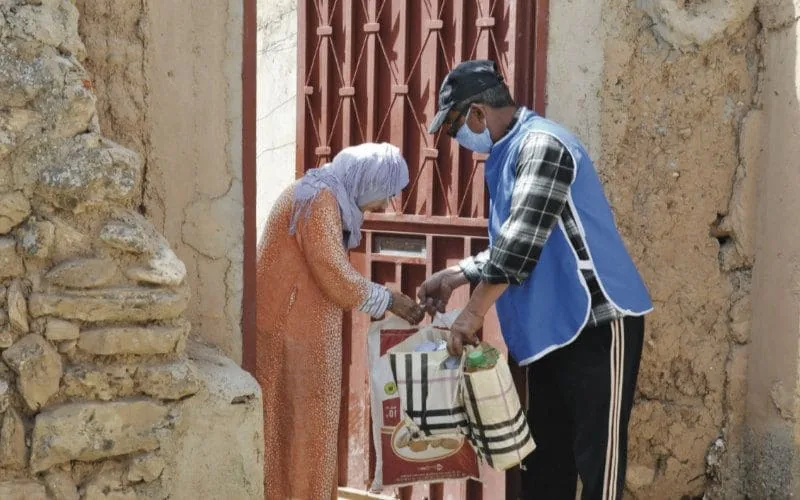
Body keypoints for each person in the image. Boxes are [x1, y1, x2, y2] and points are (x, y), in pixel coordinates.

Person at [418, 60, 653, 500]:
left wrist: (471, 314)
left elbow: (518, 248)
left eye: (453, 127)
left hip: (596, 321)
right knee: (546, 461)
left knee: (598, 463)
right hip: (549, 329)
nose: (456, 139)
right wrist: (454, 275)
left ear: (477, 113)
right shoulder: (509, 152)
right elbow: (513, 240)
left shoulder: (542, 144)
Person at [256, 142, 425, 500]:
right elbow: (333, 273)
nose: (384, 205)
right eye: (385, 193)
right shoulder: (319, 200)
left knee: (305, 428)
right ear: (367, 180)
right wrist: (388, 300)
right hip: (291, 332)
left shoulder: (325, 195)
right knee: (303, 429)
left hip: (301, 328)